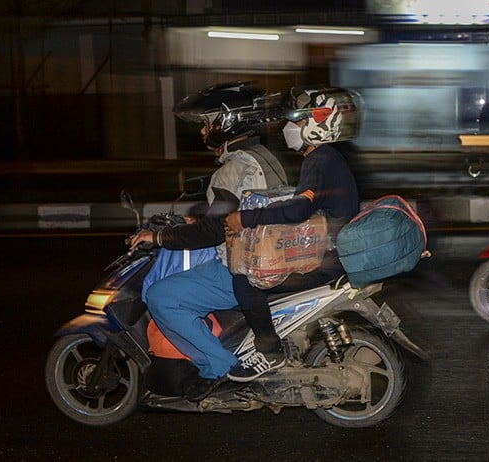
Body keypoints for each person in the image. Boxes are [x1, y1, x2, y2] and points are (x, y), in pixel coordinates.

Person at [129, 82, 288, 401]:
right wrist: (198, 222)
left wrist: (160, 236)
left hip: (241, 267)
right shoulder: (264, 157)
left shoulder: (231, 169)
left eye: (208, 122)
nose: (204, 131)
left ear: (228, 121)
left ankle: (216, 365)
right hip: (276, 256)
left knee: (162, 296)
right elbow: (231, 216)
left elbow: (216, 231)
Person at [223, 86, 361, 382]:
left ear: (318, 125)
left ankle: (269, 351)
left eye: (297, 122)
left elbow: (298, 210)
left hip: (327, 261)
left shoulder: (320, 159)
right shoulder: (329, 158)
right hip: (334, 253)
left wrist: (245, 218)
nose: (290, 128)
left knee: (245, 281)